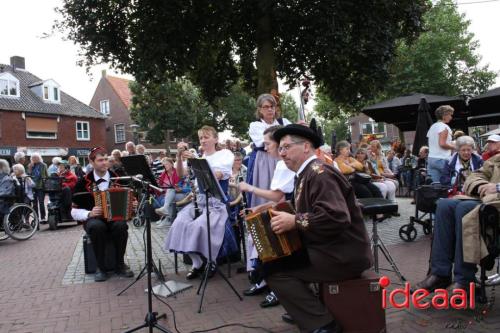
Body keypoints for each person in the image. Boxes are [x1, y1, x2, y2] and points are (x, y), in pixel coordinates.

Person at [265, 124, 372, 333]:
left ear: (306, 147)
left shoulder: (320, 174)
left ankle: (323, 325)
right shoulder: (307, 174)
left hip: (343, 254)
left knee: (275, 270)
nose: (282, 153)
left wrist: (293, 221)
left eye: (286, 147)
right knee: (274, 259)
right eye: (280, 149)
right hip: (330, 248)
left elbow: (337, 217)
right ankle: (308, 309)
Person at [415, 135, 500, 292]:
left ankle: (465, 278)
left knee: (464, 208)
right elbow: (476, 175)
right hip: (485, 199)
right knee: (444, 205)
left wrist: (498, 187)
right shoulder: (495, 160)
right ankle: (440, 274)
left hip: (495, 202)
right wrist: (482, 186)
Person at [164, 126, 237, 280]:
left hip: (217, 203)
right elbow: (180, 174)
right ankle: (197, 263)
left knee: (199, 226)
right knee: (179, 223)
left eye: (206, 137)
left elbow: (216, 175)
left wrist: (195, 161)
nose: (203, 140)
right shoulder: (197, 156)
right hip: (200, 201)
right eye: (201, 138)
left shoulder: (225, 154)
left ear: (216, 139)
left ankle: (211, 261)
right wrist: (179, 157)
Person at [238, 125, 295, 309]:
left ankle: (277, 288)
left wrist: (250, 188)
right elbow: (279, 198)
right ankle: (264, 279)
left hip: (291, 213)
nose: (265, 147)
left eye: (268, 144)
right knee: (254, 231)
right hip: (285, 209)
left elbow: (278, 197)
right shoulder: (280, 164)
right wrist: (257, 207)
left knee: (264, 234)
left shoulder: (284, 165)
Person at [71, 147, 134, 282]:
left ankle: (120, 264)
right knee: (96, 226)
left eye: (106, 159)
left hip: (115, 218)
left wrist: (132, 205)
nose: (104, 163)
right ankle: (101, 267)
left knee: (121, 226)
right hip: (94, 219)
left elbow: (131, 199)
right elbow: (74, 211)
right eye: (100, 160)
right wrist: (89, 213)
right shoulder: (83, 182)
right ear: (91, 162)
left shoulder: (119, 178)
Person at [247, 94, 291, 208]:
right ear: (260, 109)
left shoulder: (284, 121)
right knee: (264, 187)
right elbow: (263, 142)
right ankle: (262, 213)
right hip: (263, 160)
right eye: (266, 107)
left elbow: (292, 139)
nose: (270, 109)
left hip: (282, 159)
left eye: (272, 106)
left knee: (283, 191)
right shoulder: (255, 125)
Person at [427, 105, 455, 183]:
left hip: (431, 159)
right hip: (442, 159)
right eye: (450, 115)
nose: (451, 117)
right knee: (451, 183)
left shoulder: (432, 127)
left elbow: (432, 143)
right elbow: (442, 144)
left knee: (435, 186)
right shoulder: (444, 127)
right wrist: (455, 147)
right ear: (444, 115)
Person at [154, 157, 184, 227]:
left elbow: (177, 186)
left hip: (176, 193)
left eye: (166, 164)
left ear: (171, 164)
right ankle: (166, 218)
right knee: (157, 201)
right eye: (163, 165)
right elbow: (159, 184)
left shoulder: (177, 172)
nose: (165, 166)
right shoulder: (164, 173)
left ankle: (167, 218)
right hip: (165, 194)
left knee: (168, 197)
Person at [28, 153, 48, 222]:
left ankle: (43, 217)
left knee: (41, 202)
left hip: (41, 186)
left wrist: (45, 181)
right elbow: (29, 176)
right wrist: (30, 169)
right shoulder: (30, 166)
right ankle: (36, 218)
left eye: (36, 158)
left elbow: (46, 175)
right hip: (33, 187)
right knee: (34, 203)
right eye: (33, 158)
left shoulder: (43, 165)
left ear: (39, 158)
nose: (34, 159)